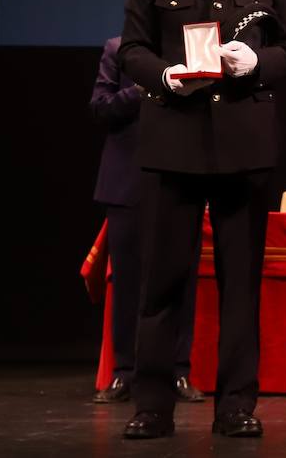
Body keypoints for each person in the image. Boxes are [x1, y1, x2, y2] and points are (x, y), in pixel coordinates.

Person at [117, 0, 286, 440]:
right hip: (173, 140)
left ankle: (235, 405)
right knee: (162, 283)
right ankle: (152, 406)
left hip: (243, 145)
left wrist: (257, 62)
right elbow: (131, 49)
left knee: (240, 284)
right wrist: (164, 76)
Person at [88, 35, 205, 405]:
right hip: (127, 182)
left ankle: (179, 371)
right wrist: (141, 89)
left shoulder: (192, 49)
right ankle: (125, 372)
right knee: (127, 284)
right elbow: (100, 108)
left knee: (182, 279)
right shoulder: (117, 50)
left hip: (181, 176)